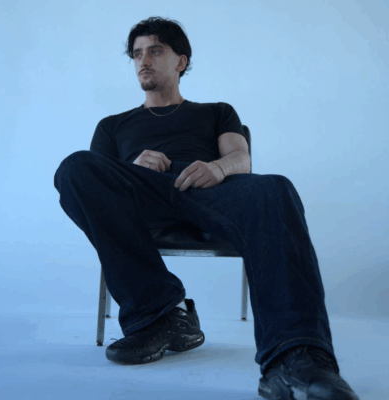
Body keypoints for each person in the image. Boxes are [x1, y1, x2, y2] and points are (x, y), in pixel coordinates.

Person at [54, 17, 360, 400]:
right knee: (74, 168)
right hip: (143, 193)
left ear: (181, 61)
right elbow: (96, 190)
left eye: (155, 50)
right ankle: (160, 314)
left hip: (205, 187)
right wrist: (133, 166)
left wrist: (217, 168)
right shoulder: (112, 126)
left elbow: (241, 158)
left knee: (275, 188)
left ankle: (296, 357)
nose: (143, 60)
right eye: (136, 54)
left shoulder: (216, 111)